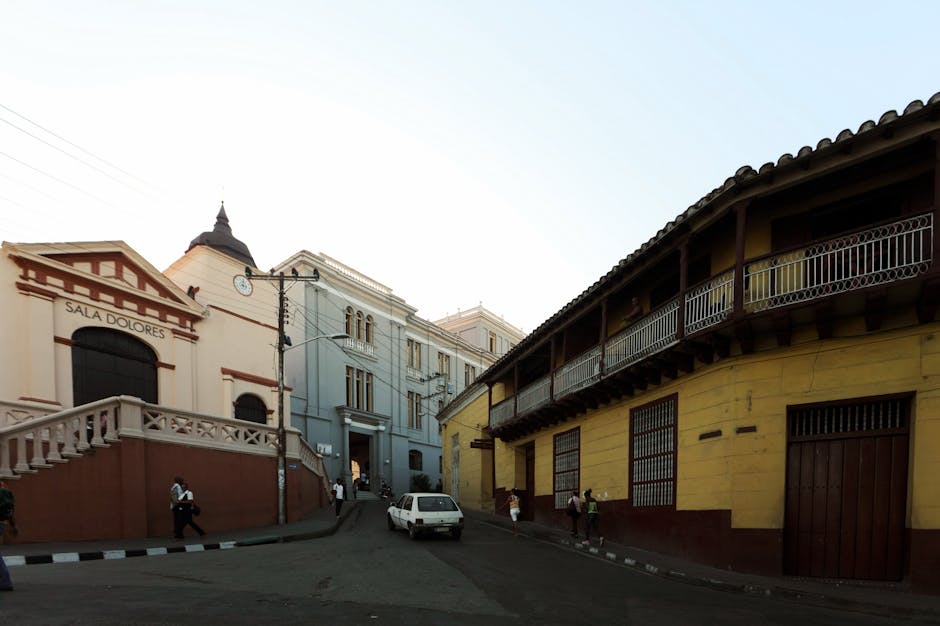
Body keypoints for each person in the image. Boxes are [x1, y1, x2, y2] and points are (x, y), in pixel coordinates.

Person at [0, 480, 18, 591]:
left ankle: (5, 581)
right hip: (2, 523)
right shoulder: (5, 491)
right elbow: (10, 512)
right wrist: (14, 526)